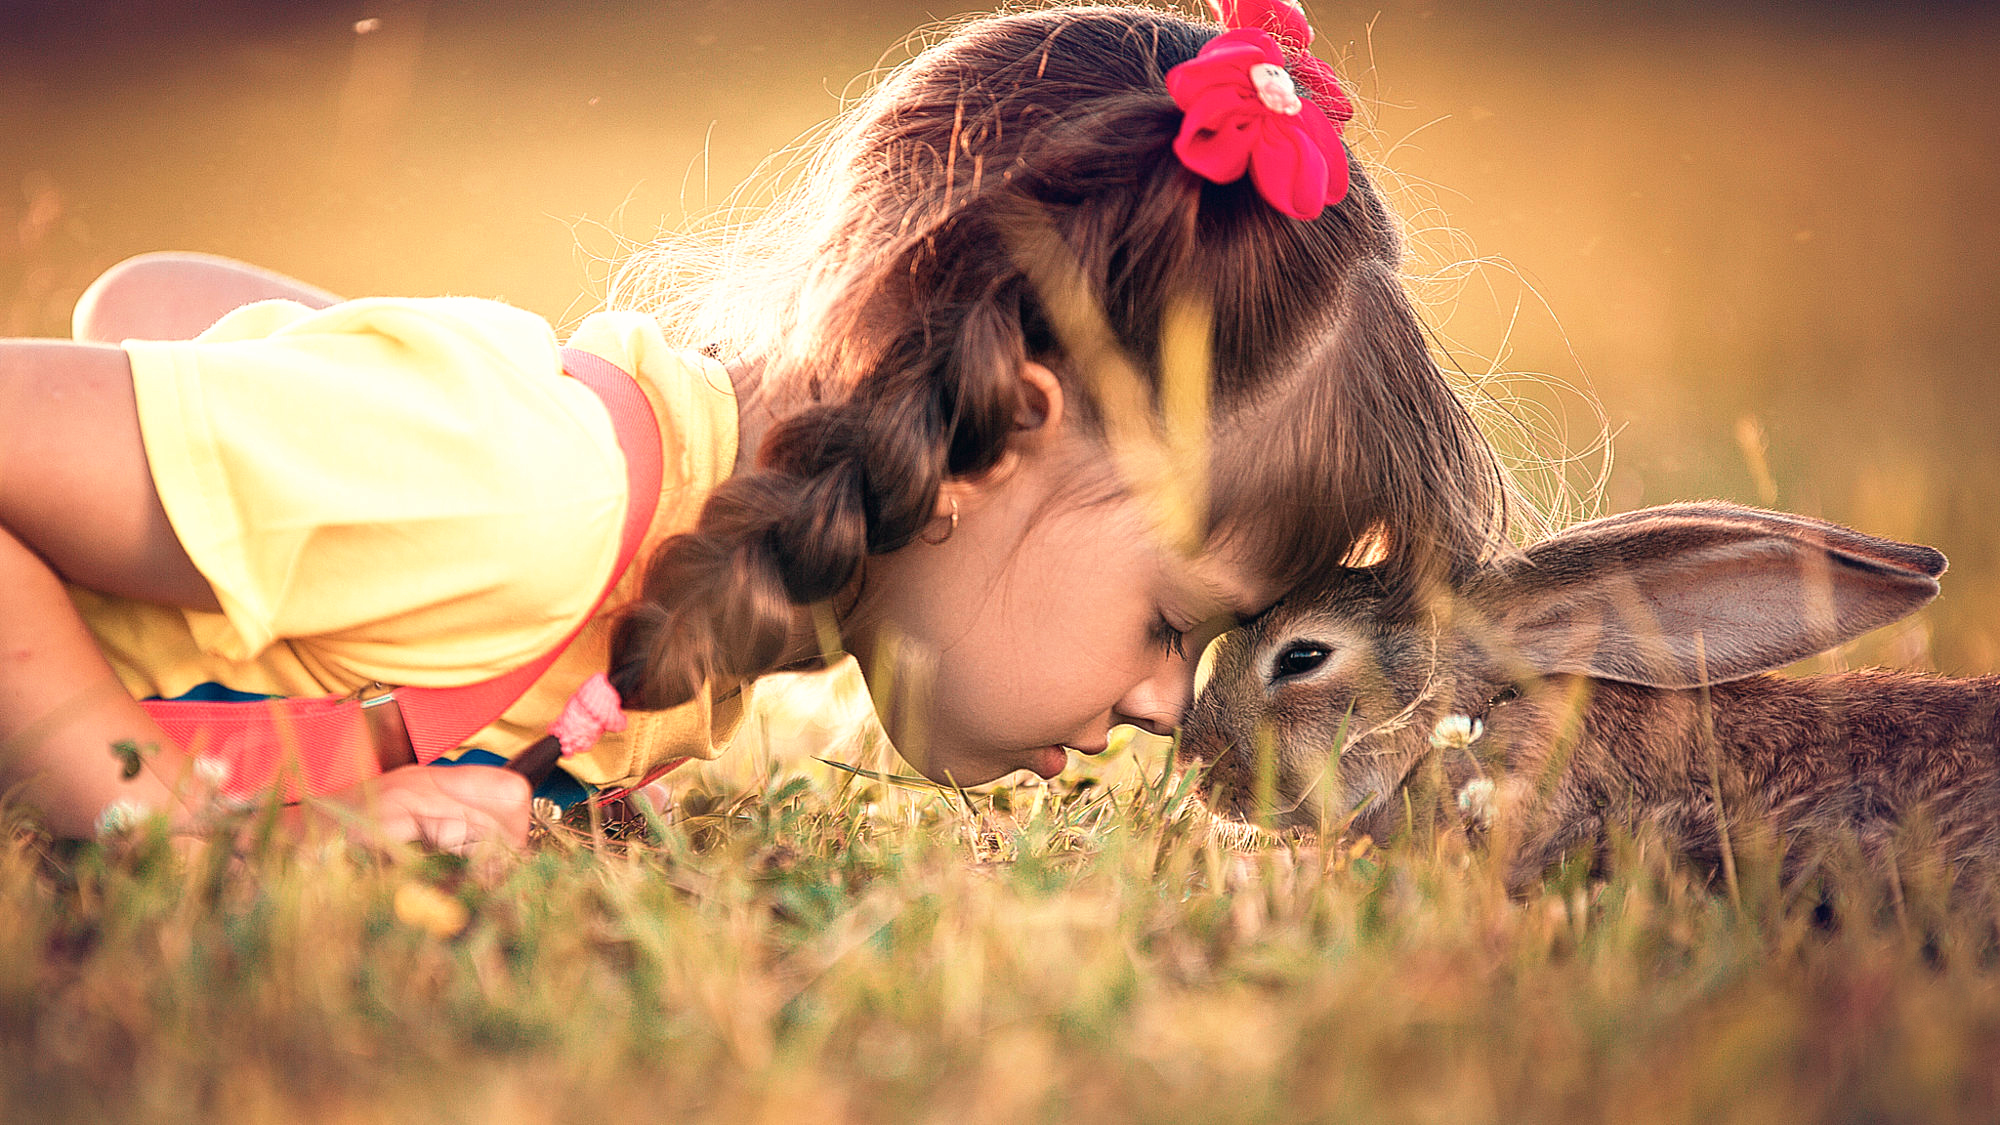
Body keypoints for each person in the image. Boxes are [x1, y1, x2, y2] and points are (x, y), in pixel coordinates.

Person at [0, 1, 1518, 851]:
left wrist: (328, 455)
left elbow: (146, 292)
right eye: (1166, 623)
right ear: (998, 432)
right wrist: (126, 790)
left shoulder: (653, 589)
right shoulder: (527, 498)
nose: (1158, 707)